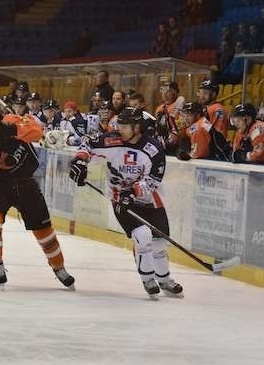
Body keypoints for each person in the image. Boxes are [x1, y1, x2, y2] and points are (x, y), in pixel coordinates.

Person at [69, 107, 183, 298]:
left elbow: (153, 180)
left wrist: (133, 192)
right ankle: (147, 279)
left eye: (124, 125)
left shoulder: (153, 149)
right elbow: (87, 143)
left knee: (159, 243)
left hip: (150, 200)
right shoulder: (111, 140)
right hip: (119, 198)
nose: (118, 127)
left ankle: (164, 279)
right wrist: (80, 162)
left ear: (137, 127)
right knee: (143, 235)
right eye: (119, 123)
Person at [0, 95, 75, 289]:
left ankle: (59, 267)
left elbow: (36, 131)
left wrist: (11, 130)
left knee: (43, 230)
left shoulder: (12, 120)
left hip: (25, 183)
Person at [154, 81, 185, 154]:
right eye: (163, 90)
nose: (164, 93)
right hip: (161, 144)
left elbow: (180, 128)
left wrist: (169, 141)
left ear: (175, 93)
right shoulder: (159, 108)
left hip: (174, 147)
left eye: (168, 91)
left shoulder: (178, 106)